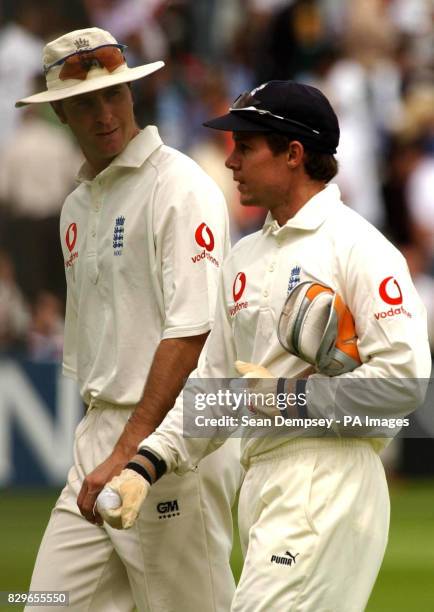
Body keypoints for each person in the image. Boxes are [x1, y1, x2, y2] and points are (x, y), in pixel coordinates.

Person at [102, 80, 431, 611]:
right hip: (263, 483)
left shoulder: (360, 247)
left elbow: (404, 380)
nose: (231, 162)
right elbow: (215, 388)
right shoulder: (243, 258)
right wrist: (148, 463)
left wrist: (286, 398)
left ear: (294, 154)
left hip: (329, 478)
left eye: (246, 147)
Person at [16, 27, 242, 612]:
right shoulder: (76, 206)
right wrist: (101, 447)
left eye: (113, 94)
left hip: (169, 445)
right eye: (85, 103)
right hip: (99, 441)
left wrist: (130, 450)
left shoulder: (180, 187)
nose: (104, 113)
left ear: (133, 94)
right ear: (60, 112)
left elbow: (192, 334)